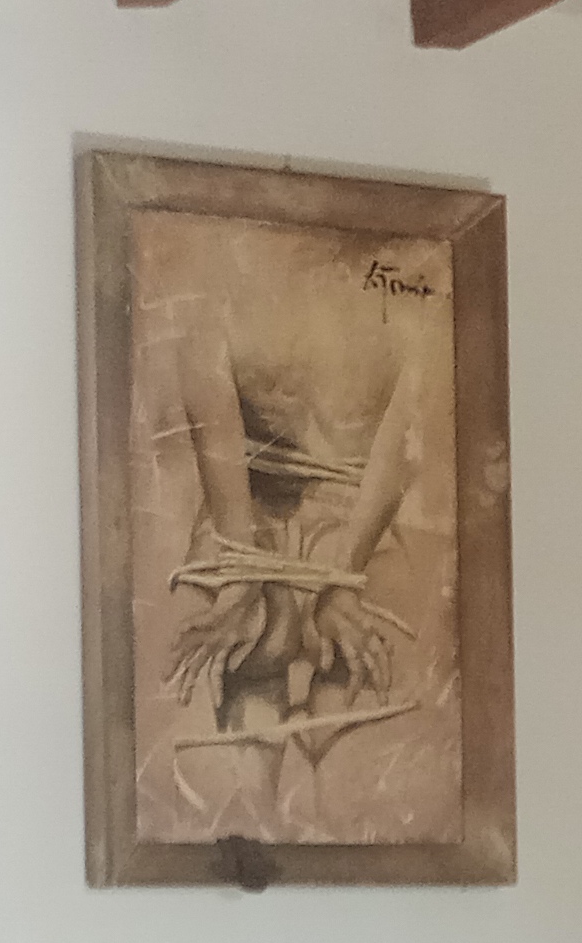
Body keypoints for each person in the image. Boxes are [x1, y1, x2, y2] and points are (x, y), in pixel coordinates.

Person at [133, 219, 450, 824]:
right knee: (266, 649)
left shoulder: (400, 285)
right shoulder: (230, 275)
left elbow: (399, 446)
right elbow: (218, 436)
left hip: (338, 524)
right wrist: (260, 578)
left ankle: (308, 795)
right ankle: (271, 805)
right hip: (276, 519)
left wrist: (331, 579)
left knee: (335, 661)